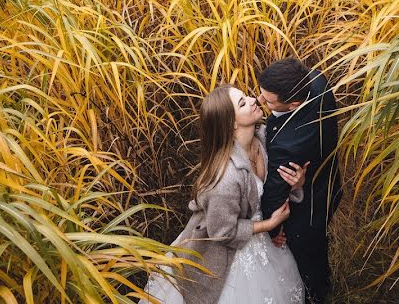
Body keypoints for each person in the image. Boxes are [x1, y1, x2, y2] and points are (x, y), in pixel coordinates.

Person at [141, 85, 306, 304]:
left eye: (246, 95)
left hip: (264, 239)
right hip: (225, 251)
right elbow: (222, 231)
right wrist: (269, 225)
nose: (253, 99)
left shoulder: (265, 139)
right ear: (231, 123)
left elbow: (273, 190)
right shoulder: (224, 177)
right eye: (242, 102)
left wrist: (297, 184)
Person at [258, 58, 342, 304]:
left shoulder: (288, 145)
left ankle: (316, 295)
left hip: (308, 208)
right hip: (328, 183)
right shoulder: (316, 80)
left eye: (269, 100)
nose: (261, 102)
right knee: (318, 247)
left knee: (307, 255)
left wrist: (272, 229)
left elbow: (274, 191)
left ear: (293, 103)